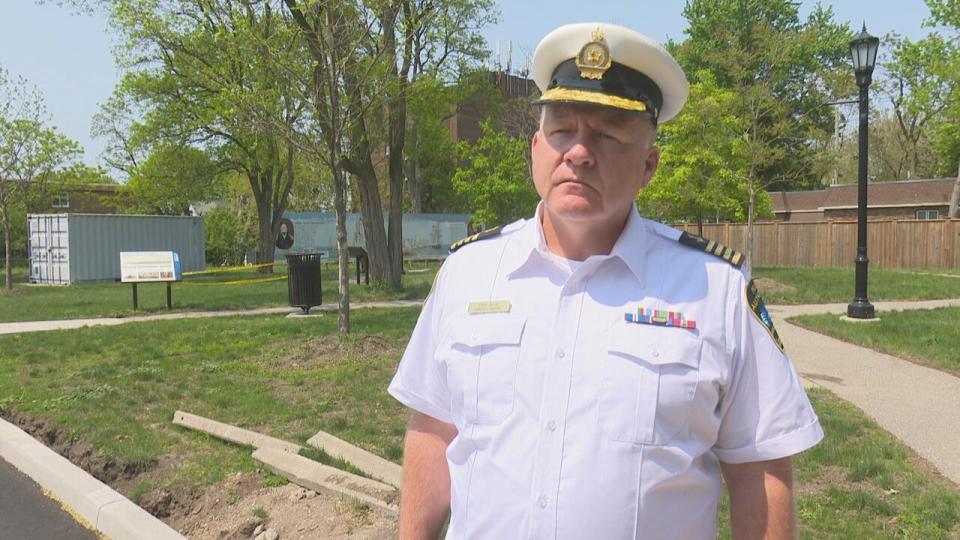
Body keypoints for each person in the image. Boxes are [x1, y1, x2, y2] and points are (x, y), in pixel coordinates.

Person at [388, 22, 823, 540]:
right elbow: (434, 434)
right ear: (534, 148)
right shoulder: (468, 273)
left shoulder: (716, 290)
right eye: (562, 131)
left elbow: (761, 470)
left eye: (607, 134)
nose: (578, 152)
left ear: (649, 164)